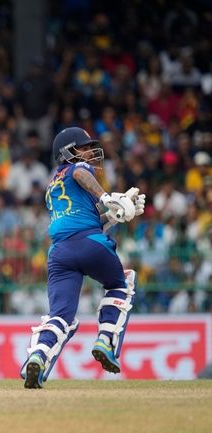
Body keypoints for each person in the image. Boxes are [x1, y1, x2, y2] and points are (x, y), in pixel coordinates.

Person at [20, 127, 146, 389]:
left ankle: (38, 356)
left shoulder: (53, 183)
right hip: (90, 244)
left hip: (60, 253)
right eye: (84, 147)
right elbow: (79, 172)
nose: (89, 152)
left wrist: (114, 216)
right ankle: (105, 340)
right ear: (68, 152)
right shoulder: (77, 169)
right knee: (122, 283)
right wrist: (106, 197)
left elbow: (83, 221)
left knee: (60, 316)